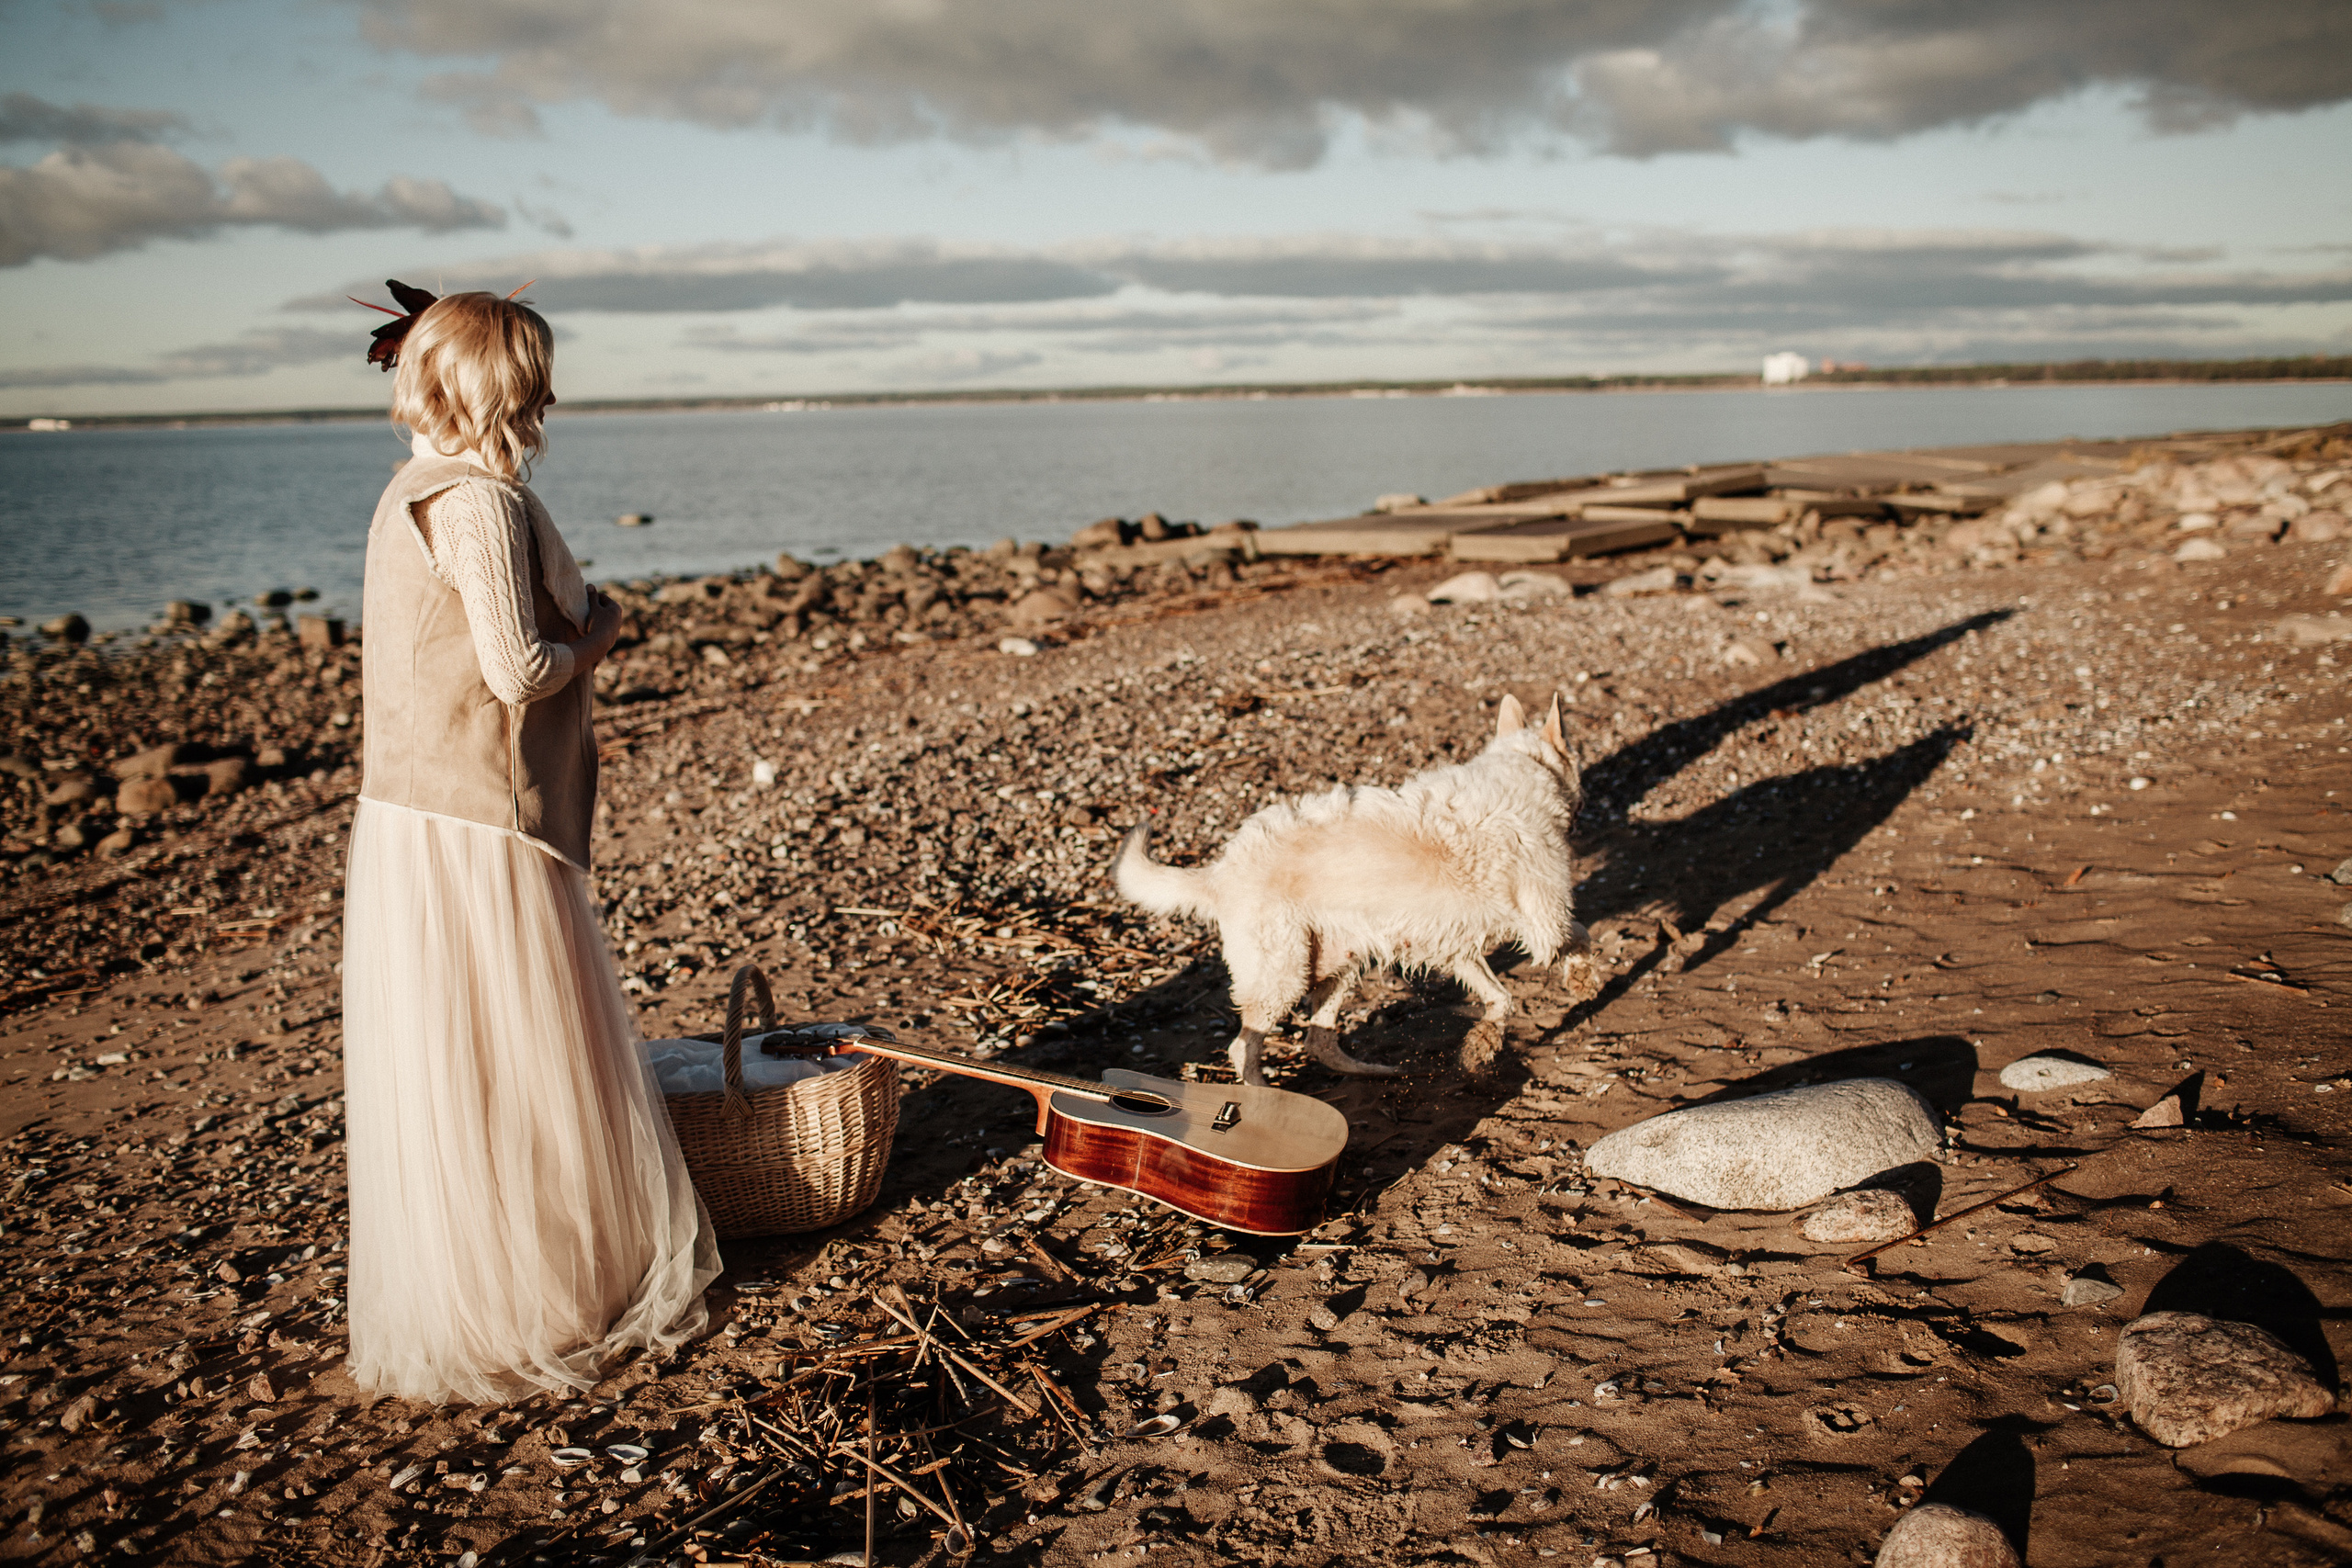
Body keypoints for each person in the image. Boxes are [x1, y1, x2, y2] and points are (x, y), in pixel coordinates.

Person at [341, 286, 717, 1404]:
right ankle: (540, 1296)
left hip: (409, 812)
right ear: (510, 389)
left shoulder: (409, 487)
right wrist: (602, 631)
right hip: (478, 819)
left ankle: (487, 1286)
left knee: (454, 1064)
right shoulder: (476, 504)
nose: (548, 399)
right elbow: (519, 670)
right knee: (517, 1057)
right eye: (536, 379)